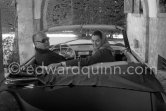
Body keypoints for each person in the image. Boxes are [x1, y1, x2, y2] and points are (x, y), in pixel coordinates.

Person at [48, 30, 115, 68]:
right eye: (92, 40)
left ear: (103, 40)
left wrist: (61, 64)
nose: (94, 44)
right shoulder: (108, 50)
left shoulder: (102, 52)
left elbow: (86, 61)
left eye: (97, 41)